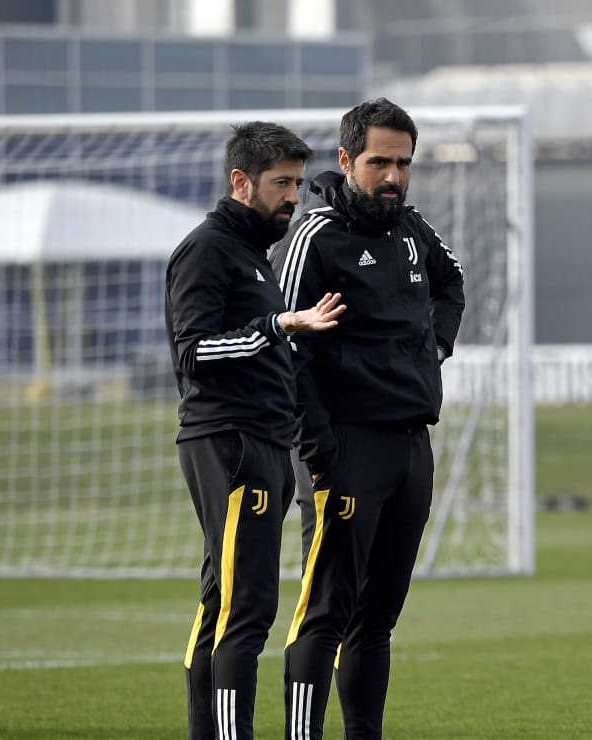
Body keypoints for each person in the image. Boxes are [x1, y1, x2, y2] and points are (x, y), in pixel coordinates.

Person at [270, 98, 465, 740]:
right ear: (347, 159)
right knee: (325, 614)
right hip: (345, 448)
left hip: (411, 449)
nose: (393, 177)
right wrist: (318, 445)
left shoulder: (411, 229)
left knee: (377, 620)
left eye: (404, 164)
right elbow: (286, 346)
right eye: (380, 162)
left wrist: (433, 347)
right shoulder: (314, 237)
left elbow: (453, 281)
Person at [166, 121, 346, 740]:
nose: (293, 196)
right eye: (281, 183)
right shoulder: (207, 249)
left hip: (262, 440)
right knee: (246, 610)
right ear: (240, 181)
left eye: (299, 182)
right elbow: (193, 354)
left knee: (221, 602)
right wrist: (278, 324)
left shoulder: (251, 253)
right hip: (231, 441)